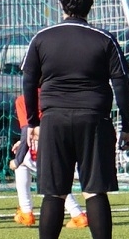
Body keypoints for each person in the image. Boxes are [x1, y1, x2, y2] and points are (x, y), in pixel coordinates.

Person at [22, 0, 129, 239]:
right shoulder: (104, 38)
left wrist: (33, 122)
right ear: (91, 4)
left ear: (61, 4)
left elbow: (29, 82)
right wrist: (128, 126)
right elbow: (121, 84)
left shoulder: (42, 38)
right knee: (95, 190)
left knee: (54, 193)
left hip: (54, 121)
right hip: (93, 119)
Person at [10, 93, 88, 229]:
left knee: (53, 181)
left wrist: (18, 159)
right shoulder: (57, 93)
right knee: (54, 178)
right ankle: (26, 211)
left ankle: (77, 214)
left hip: (44, 144)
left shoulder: (24, 99)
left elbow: (27, 130)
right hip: (64, 139)